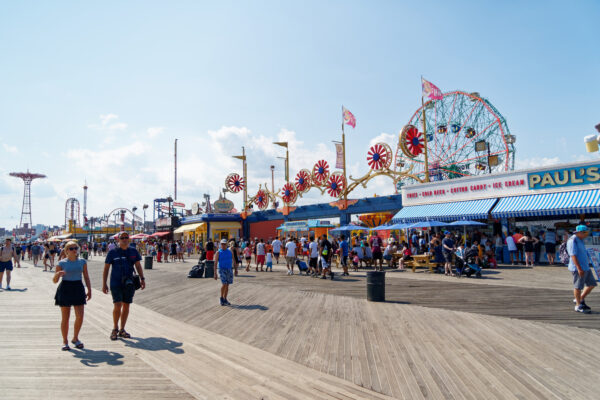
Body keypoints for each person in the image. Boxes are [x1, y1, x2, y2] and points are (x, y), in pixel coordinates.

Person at [102, 232, 146, 340]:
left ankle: (122, 329)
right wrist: (104, 284)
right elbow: (106, 268)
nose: (125, 239)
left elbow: (138, 265)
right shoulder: (112, 252)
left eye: (127, 237)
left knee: (126, 305)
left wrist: (142, 278)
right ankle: (115, 328)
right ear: (118, 240)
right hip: (116, 282)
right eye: (123, 238)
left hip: (129, 282)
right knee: (117, 305)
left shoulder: (133, 251)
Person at [53, 240, 92, 351]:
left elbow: (86, 276)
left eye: (76, 248)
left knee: (80, 316)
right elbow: (55, 281)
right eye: (71, 248)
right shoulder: (61, 263)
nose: (74, 250)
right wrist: (58, 274)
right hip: (65, 288)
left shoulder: (82, 262)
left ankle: (75, 338)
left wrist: (89, 289)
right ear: (66, 251)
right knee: (66, 317)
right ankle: (65, 341)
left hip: (78, 287)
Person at [567, 225, 596, 313]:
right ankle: (578, 305)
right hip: (578, 268)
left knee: (592, 284)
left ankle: (579, 299)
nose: (586, 235)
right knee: (578, 286)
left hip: (585, 266)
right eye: (585, 233)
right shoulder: (573, 240)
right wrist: (579, 268)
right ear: (579, 232)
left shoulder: (580, 240)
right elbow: (573, 255)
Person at [214, 239, 238, 306]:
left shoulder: (230, 251)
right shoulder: (218, 252)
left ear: (227, 244)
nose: (223, 245)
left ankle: (225, 298)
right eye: (222, 244)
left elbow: (234, 260)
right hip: (222, 269)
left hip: (229, 269)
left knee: (227, 284)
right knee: (224, 283)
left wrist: (236, 269)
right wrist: (215, 273)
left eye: (224, 244)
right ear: (220, 244)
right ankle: (221, 298)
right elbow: (215, 263)